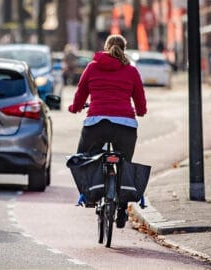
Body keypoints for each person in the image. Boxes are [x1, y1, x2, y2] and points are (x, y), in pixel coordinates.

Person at [68, 34, 147, 228]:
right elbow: (140, 99)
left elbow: (80, 93)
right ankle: (122, 208)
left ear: (105, 47)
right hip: (125, 126)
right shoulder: (131, 71)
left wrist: (75, 107)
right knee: (125, 164)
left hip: (96, 124)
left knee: (84, 157)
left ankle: (90, 195)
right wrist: (141, 111)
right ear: (124, 49)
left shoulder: (92, 67)